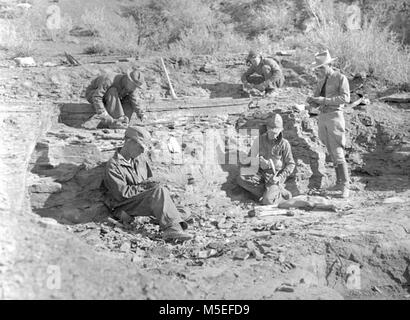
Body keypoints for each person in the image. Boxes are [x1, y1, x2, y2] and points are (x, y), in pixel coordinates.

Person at [103, 126, 192, 241]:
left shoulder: (140, 160)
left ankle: (159, 218)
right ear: (128, 141)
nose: (143, 151)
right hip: (125, 204)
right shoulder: (113, 165)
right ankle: (171, 229)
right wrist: (145, 187)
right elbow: (121, 194)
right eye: (140, 146)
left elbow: (149, 181)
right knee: (160, 193)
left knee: (185, 210)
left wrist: (153, 185)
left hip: (142, 200)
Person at [306, 50, 351, 198]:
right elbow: (316, 101)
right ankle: (339, 183)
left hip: (334, 116)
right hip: (323, 116)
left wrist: (323, 101)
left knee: (337, 150)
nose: (319, 70)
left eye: (321, 67)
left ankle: (344, 185)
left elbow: (345, 98)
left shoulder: (340, 78)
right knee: (331, 151)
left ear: (329, 65)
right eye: (317, 68)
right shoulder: (321, 81)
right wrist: (311, 102)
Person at [236, 113, 295, 206]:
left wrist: (280, 178)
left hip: (275, 177)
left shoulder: (284, 144)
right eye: (271, 131)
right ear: (267, 128)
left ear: (281, 130)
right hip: (261, 174)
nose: (274, 135)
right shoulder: (259, 140)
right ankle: (270, 192)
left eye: (276, 132)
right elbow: (248, 159)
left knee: (267, 202)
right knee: (241, 178)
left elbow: (291, 164)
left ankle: (276, 192)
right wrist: (258, 162)